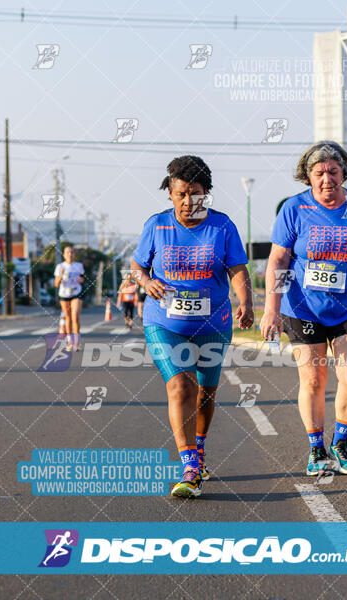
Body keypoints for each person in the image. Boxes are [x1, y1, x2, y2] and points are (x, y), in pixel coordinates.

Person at [261, 140, 347, 476]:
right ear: (308, 176)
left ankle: (341, 442)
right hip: (302, 307)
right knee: (314, 379)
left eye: (333, 171)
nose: (327, 178)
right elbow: (278, 260)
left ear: (344, 173)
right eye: (319, 172)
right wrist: (271, 308)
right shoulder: (294, 209)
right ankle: (316, 449)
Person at [131, 155, 253, 498]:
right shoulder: (157, 225)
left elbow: (237, 270)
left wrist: (246, 301)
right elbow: (138, 267)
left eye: (195, 193)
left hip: (213, 321)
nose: (188, 201)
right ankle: (189, 465)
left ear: (206, 194)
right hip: (164, 320)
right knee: (180, 388)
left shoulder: (223, 226)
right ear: (170, 193)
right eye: (181, 193)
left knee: (205, 393)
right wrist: (146, 282)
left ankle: (199, 448)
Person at [54, 246, 85, 352]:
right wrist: (61, 275)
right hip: (64, 294)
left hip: (76, 292)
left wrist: (81, 279)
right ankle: (70, 342)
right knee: (68, 318)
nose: (70, 254)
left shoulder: (79, 265)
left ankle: (77, 342)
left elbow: (82, 278)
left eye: (71, 252)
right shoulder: (60, 266)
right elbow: (56, 284)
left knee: (75, 316)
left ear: (74, 254)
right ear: (64, 254)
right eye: (67, 252)